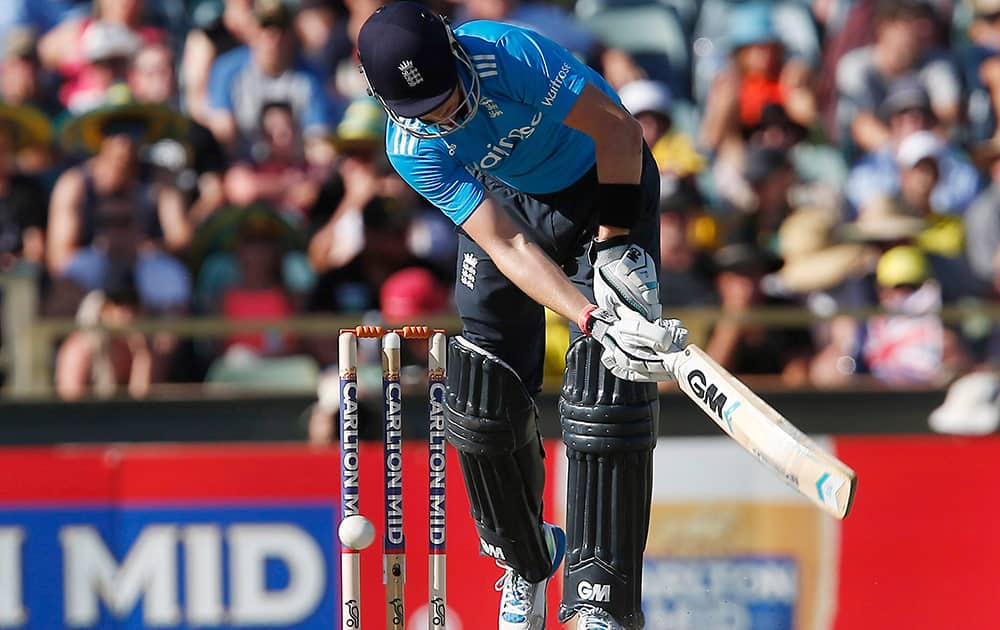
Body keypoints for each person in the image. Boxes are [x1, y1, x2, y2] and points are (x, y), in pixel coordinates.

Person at [356, 4, 688, 629]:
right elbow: (505, 243)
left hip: (604, 176)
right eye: (426, 112)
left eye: (450, 99)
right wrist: (588, 314)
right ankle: (525, 558)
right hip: (510, 203)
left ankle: (600, 599)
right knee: (479, 397)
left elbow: (618, 130)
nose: (447, 118)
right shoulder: (409, 149)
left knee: (606, 390)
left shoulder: (509, 56)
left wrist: (615, 250)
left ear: (454, 51)